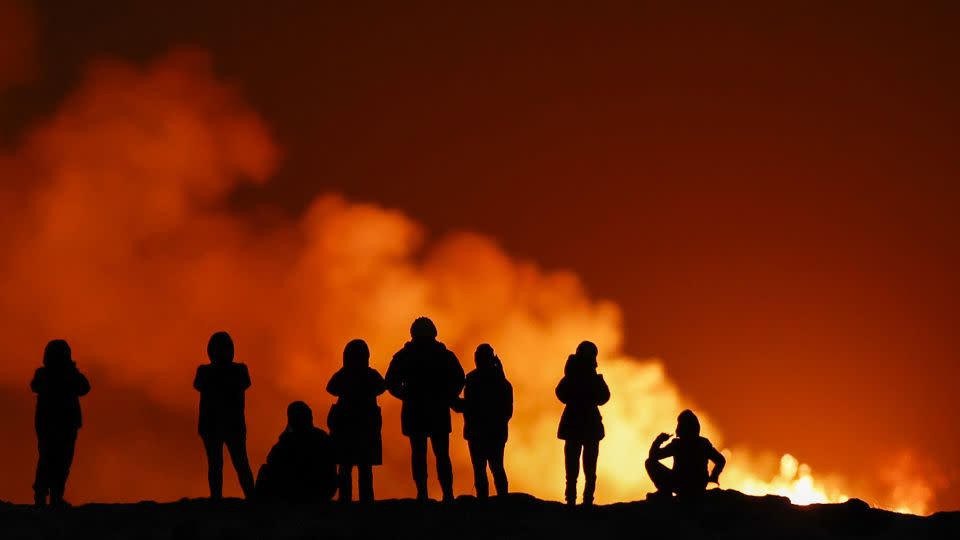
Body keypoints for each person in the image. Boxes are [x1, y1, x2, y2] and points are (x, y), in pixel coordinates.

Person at [385, 317, 465, 501]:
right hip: (431, 411)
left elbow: (459, 378)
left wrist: (406, 394)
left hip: (421, 411)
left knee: (427, 454)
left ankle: (432, 494)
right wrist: (447, 395)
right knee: (435, 454)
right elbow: (459, 378)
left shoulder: (407, 355)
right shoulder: (441, 354)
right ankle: (440, 494)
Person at [193, 331, 255, 500]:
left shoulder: (205, 372)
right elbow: (245, 384)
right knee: (240, 463)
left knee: (217, 465)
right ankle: (251, 498)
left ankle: (217, 499)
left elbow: (198, 385)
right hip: (230, 425)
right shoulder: (239, 371)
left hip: (213, 425)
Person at [31, 340, 90, 507]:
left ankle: (50, 496)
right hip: (58, 424)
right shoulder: (49, 374)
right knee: (55, 459)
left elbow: (85, 388)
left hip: (58, 424)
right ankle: (45, 495)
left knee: (56, 460)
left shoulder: (47, 374)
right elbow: (84, 387)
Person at [326, 339, 386, 502]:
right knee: (362, 467)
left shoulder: (346, 375)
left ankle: (346, 499)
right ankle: (365, 500)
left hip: (348, 426)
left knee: (347, 466)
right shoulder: (370, 374)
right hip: (363, 427)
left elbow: (331, 387)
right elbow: (381, 386)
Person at [453, 344, 513, 500]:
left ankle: (483, 503)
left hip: (477, 433)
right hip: (495, 434)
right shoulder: (503, 383)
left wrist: (453, 401)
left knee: (481, 469)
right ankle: (503, 501)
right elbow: (507, 412)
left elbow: (468, 406)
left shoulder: (472, 380)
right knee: (496, 467)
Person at [555, 341, 610, 507]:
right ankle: (576, 499)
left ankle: (583, 499)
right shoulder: (574, 377)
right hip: (582, 425)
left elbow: (604, 397)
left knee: (586, 467)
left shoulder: (577, 376)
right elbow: (561, 393)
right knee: (577, 466)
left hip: (581, 425)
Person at [255, 401, 337, 503]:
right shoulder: (322, 435)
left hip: (304, 489)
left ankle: (257, 504)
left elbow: (271, 459)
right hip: (323, 490)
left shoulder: (290, 439)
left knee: (265, 470)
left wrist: (285, 436)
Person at [645, 409, 726, 500]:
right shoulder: (703, 443)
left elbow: (653, 456)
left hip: (680, 485)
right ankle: (665, 493)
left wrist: (658, 440)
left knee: (649, 463)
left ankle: (665, 492)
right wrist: (714, 476)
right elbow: (721, 460)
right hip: (699, 486)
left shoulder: (678, 444)